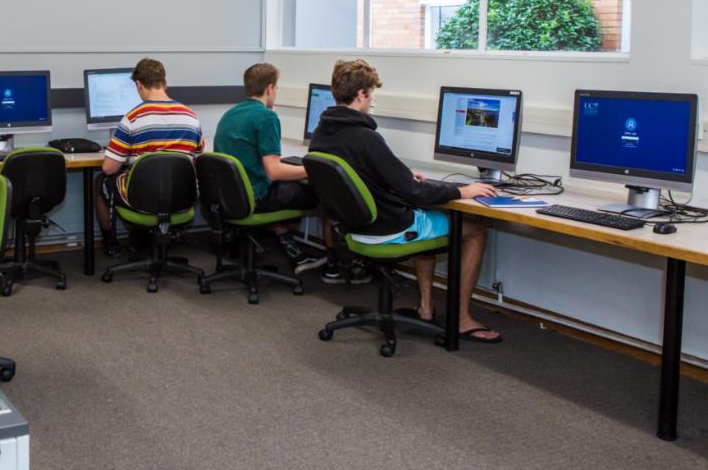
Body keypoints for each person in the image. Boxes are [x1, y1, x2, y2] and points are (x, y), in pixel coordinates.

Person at [309, 59, 502, 343]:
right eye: (371, 94)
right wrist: (463, 191)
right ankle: (461, 319)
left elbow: (360, 175)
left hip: (353, 231)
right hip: (385, 231)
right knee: (473, 229)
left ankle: (426, 307)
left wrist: (401, 176)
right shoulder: (365, 137)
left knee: (426, 213)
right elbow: (414, 192)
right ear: (361, 94)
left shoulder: (321, 133)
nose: (371, 100)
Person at [213, 63, 328, 276]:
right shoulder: (266, 117)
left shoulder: (231, 114)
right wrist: (312, 170)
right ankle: (335, 264)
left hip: (229, 198)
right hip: (254, 198)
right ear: (269, 89)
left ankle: (291, 247)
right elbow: (274, 172)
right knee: (314, 193)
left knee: (286, 185)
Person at [96, 58, 204, 254]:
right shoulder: (191, 117)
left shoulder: (133, 118)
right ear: (165, 82)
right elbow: (198, 159)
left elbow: (108, 168)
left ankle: (110, 244)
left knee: (102, 180)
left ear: (139, 84)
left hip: (143, 199)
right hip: (181, 198)